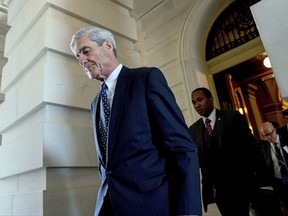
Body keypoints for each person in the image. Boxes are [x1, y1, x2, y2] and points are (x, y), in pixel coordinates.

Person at [70, 26, 202, 216]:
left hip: (152, 204)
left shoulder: (146, 79)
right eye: (77, 56)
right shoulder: (96, 103)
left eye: (85, 51)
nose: (81, 60)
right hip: (110, 205)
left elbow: (182, 147)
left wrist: (188, 210)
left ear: (107, 46)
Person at [188, 87, 264, 216]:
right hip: (219, 192)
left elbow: (252, 150)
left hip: (241, 186)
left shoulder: (232, 117)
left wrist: (263, 183)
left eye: (200, 100)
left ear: (211, 99)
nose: (197, 105)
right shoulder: (193, 129)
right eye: (194, 102)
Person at [259, 122, 288, 215]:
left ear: (274, 130)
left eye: (269, 134)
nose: (268, 138)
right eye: (265, 136)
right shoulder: (264, 148)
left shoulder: (286, 140)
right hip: (279, 184)